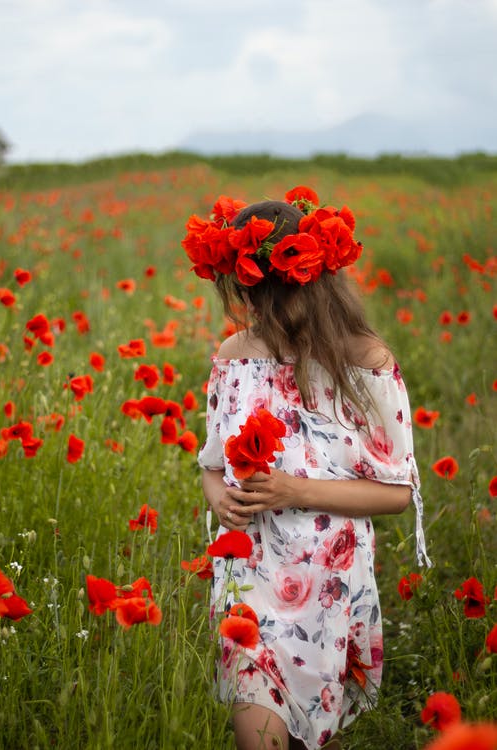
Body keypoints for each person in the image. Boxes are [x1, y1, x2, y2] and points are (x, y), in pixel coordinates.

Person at [182, 186, 431, 750]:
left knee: (314, 737)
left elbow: (396, 493)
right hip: (248, 574)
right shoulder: (233, 356)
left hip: (330, 585)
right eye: (251, 294)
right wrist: (217, 495)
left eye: (270, 295)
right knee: (258, 730)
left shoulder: (365, 361)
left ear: (311, 279)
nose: (258, 309)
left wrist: (292, 489)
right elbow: (212, 465)